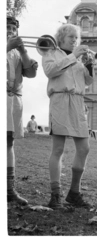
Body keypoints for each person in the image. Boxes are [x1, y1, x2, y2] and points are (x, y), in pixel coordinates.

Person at [42, 24, 94, 209]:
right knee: (58, 149)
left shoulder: (78, 59)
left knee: (84, 148)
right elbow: (51, 71)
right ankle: (55, 194)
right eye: (71, 36)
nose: (74, 40)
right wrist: (74, 56)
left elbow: (88, 82)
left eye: (76, 37)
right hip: (60, 99)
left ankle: (74, 192)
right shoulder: (50, 53)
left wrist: (89, 64)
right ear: (61, 37)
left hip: (78, 101)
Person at [7, 16, 38, 205]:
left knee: (8, 143)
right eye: (6, 27)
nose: (10, 30)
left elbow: (32, 72)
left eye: (13, 28)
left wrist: (22, 50)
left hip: (12, 99)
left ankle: (9, 188)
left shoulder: (18, 53)